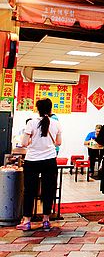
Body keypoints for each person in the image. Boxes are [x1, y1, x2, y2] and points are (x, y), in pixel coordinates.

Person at [17, 98, 62, 231]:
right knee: (48, 190)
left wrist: (32, 141)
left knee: (29, 190)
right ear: (50, 109)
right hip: (49, 160)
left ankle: (27, 221)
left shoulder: (31, 123)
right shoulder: (56, 123)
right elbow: (58, 143)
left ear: (38, 109)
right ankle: (46, 220)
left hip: (32, 161)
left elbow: (24, 143)